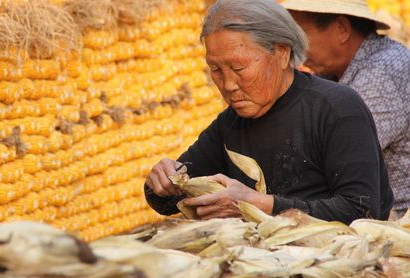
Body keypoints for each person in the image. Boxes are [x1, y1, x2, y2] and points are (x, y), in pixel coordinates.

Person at [144, 0, 394, 224]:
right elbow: (169, 200)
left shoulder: (337, 108)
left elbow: (362, 210)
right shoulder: (231, 123)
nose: (228, 84)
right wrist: (161, 183)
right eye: (216, 70)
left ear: (282, 53)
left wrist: (261, 205)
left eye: (239, 68)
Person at [281, 0, 409, 217]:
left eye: (300, 35)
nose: (295, 49)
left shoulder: (381, 74)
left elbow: (322, 161)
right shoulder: (333, 72)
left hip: (394, 220)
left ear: (341, 29)